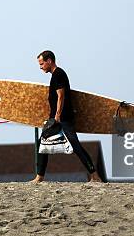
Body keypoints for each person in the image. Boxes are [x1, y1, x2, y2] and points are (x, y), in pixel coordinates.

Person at [31, 50, 103, 183]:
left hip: (62, 119)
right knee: (43, 143)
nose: (40, 67)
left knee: (75, 146)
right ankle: (39, 177)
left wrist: (57, 116)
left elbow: (61, 95)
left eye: (41, 63)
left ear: (49, 61)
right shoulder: (55, 75)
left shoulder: (58, 74)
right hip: (58, 118)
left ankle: (95, 176)